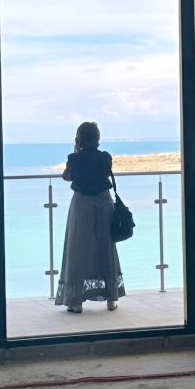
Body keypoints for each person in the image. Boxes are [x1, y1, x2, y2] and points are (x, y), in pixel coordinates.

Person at [55, 121, 126, 314]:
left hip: (82, 202)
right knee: (106, 247)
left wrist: (76, 151)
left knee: (77, 248)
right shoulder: (105, 157)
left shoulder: (74, 158)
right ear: (97, 137)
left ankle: (76, 301)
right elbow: (104, 174)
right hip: (104, 201)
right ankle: (111, 298)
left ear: (79, 138)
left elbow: (67, 177)